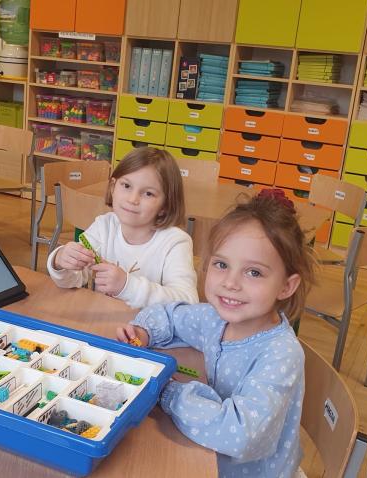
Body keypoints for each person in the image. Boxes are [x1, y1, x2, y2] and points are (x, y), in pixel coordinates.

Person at [116, 189, 315, 477]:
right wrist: (143, 332)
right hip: (206, 453)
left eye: (254, 272)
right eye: (221, 265)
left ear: (286, 286)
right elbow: (170, 316)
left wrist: (167, 392)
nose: (230, 283)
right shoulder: (216, 319)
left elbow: (240, 435)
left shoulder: (281, 353)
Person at [47, 147, 198, 308]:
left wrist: (127, 286)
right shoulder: (103, 226)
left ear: (165, 205)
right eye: (126, 186)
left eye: (148, 193)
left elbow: (187, 303)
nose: (133, 199)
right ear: (113, 187)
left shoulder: (175, 242)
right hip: (102, 318)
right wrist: (60, 261)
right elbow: (72, 280)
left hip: (149, 324)